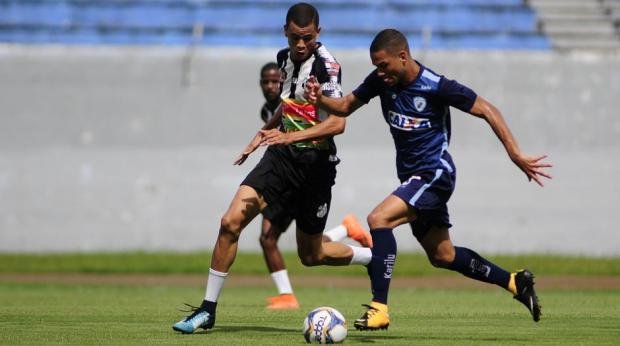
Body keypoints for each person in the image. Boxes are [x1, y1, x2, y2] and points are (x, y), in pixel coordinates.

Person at [301, 29, 553, 330]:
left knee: (378, 219)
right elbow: (344, 107)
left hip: (435, 174)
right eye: (375, 66)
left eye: (383, 65)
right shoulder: (380, 81)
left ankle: (379, 308)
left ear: (403, 57)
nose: (379, 72)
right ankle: (515, 282)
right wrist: (320, 99)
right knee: (442, 255)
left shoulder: (436, 86)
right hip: (415, 179)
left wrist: (515, 153)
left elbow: (487, 109)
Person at [172, 3, 375, 334]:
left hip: (316, 166)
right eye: (294, 37)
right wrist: (264, 131)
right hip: (280, 159)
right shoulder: (284, 59)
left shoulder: (327, 67)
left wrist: (291, 135)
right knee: (230, 222)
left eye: (306, 38)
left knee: (310, 255)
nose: (300, 45)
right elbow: (289, 102)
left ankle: (369, 257)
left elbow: (338, 124)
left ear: (317, 34)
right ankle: (207, 310)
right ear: (285, 31)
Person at [257, 62, 372, 309]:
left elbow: (332, 125)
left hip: (300, 176)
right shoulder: (269, 111)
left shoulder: (300, 103)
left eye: (275, 81)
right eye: (265, 81)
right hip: (285, 175)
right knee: (309, 249)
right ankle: (345, 229)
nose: (270, 86)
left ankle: (287, 295)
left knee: (271, 239)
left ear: (287, 80)